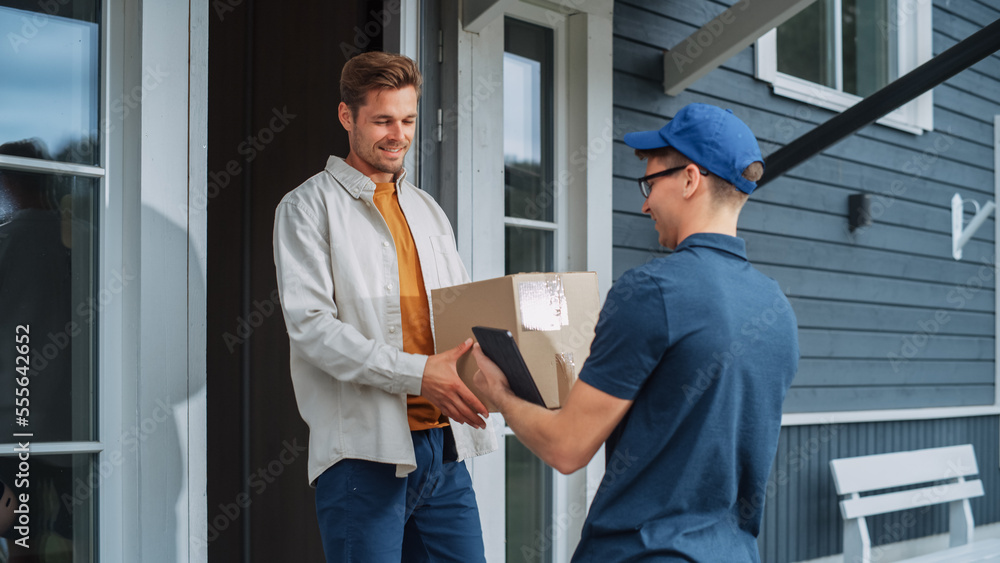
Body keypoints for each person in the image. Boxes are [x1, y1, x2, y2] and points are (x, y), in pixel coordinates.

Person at [472, 103, 799, 561]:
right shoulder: (777, 307)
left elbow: (567, 448)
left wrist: (499, 393)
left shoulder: (652, 290)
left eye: (650, 183)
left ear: (689, 179)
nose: (645, 202)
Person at [272, 51, 496, 562]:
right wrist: (419, 374)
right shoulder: (307, 208)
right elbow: (312, 330)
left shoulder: (427, 209)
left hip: (444, 449)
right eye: (383, 120)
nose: (399, 134)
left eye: (409, 120)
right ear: (346, 116)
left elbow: (458, 313)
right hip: (363, 457)